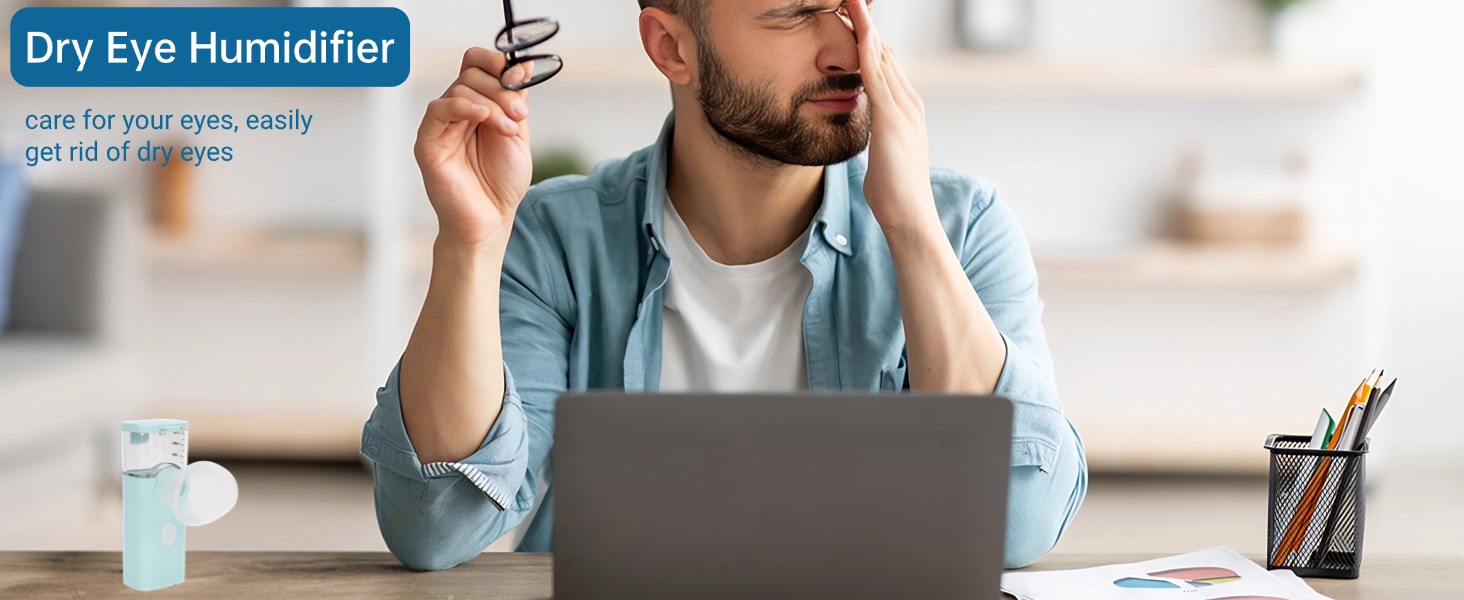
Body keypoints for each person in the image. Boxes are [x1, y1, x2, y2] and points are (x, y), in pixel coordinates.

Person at [361, 0, 1086, 571]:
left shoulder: (959, 225)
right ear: (672, 47)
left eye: (851, 7)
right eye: (796, 13)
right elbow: (437, 527)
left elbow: (1016, 525)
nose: (849, 51)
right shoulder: (560, 238)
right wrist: (469, 243)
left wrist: (912, 230)